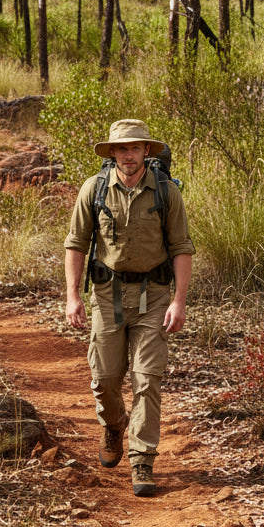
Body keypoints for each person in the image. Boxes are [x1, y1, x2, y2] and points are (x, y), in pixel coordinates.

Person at [64, 119, 194, 497]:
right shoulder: (95, 188)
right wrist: (73, 296)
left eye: (135, 148)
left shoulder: (166, 193)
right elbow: (76, 242)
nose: (129, 155)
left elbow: (182, 248)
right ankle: (114, 424)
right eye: (122, 148)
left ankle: (142, 460)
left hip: (153, 296)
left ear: (146, 152)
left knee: (146, 378)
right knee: (104, 379)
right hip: (107, 295)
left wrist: (179, 301)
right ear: (113, 153)